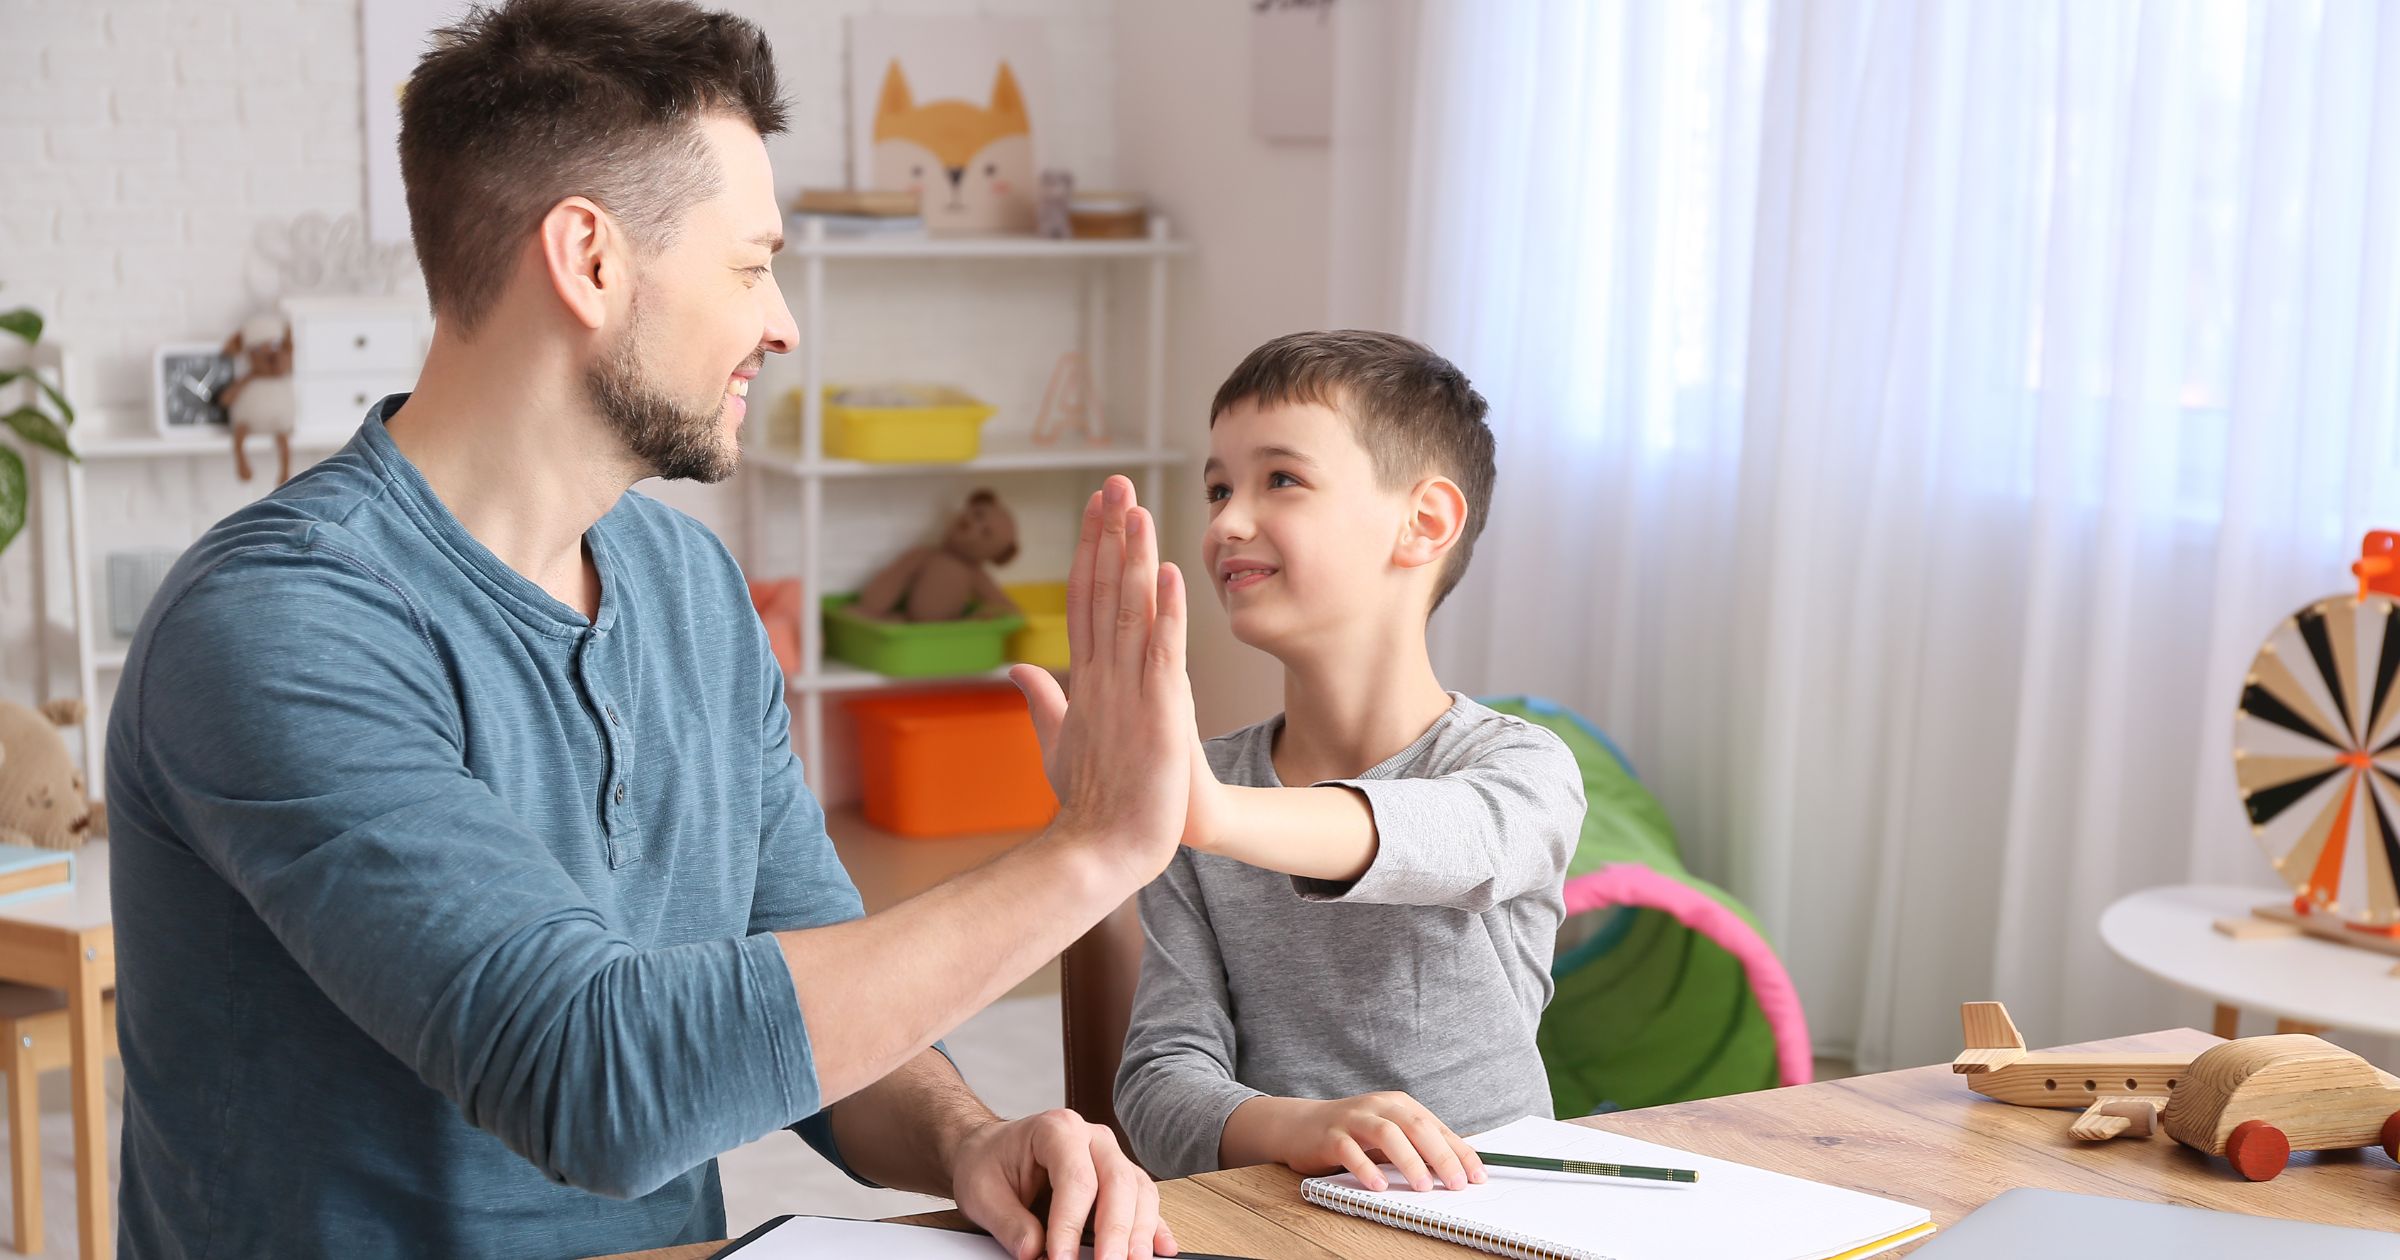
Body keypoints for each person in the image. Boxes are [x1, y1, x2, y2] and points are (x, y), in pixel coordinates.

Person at [106, 3, 1193, 1257]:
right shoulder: (280, 620)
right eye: (749, 266)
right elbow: (594, 1080)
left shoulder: (689, 585)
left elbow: (817, 991)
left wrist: (965, 1140)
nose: (781, 322)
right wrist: (1092, 850)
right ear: (590, 260)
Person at [1111, 331, 1586, 1187]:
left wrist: (1213, 815)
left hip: (1494, 1221)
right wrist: (1302, 1128)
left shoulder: (1523, 769)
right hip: (1269, 1217)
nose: (1227, 520)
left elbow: (1457, 843)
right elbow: (1157, 1090)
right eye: (1218, 488)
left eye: (1280, 480)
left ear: (1423, 523)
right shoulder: (1201, 797)